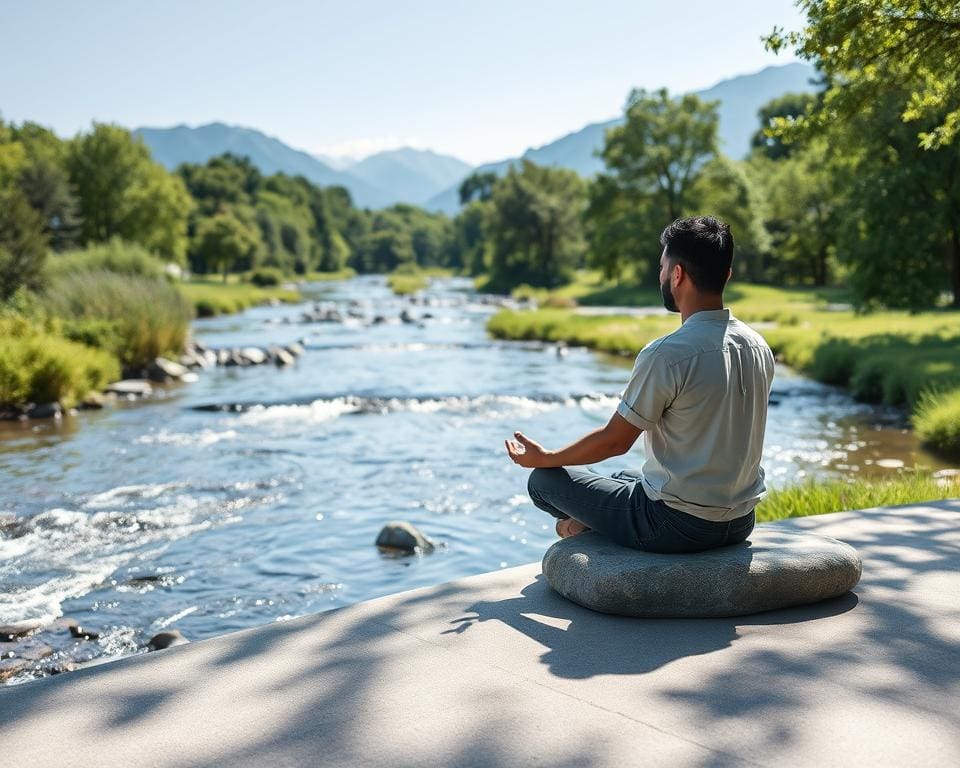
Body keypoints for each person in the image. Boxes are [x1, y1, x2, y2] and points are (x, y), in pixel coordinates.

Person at [505, 216, 775, 554]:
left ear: (677, 275)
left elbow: (614, 441)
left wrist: (544, 458)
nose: (660, 275)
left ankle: (577, 528)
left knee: (543, 482)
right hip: (738, 521)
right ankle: (588, 523)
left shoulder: (667, 354)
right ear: (727, 275)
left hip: (676, 526)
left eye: (662, 266)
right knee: (623, 477)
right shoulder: (757, 345)